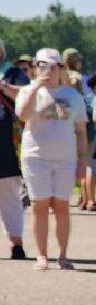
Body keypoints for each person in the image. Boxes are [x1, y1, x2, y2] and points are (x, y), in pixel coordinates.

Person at [15, 49, 86, 270]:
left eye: (54, 67)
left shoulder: (72, 95)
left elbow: (81, 130)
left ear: (61, 69)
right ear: (36, 68)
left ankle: (63, 255)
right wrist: (36, 86)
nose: (49, 71)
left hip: (65, 158)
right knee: (40, 205)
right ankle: (42, 255)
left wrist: (83, 161)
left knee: (62, 205)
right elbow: (22, 115)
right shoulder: (27, 91)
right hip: (36, 157)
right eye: (43, 66)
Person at [61, 48, 96, 212]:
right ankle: (90, 199)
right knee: (88, 161)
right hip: (83, 121)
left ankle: (81, 197)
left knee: (71, 161)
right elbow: (90, 100)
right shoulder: (81, 78)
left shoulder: (60, 77)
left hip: (66, 123)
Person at [0, 37, 29, 258]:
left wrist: (3, 86)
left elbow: (26, 96)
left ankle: (15, 242)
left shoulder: (12, 73)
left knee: (9, 191)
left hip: (7, 141)